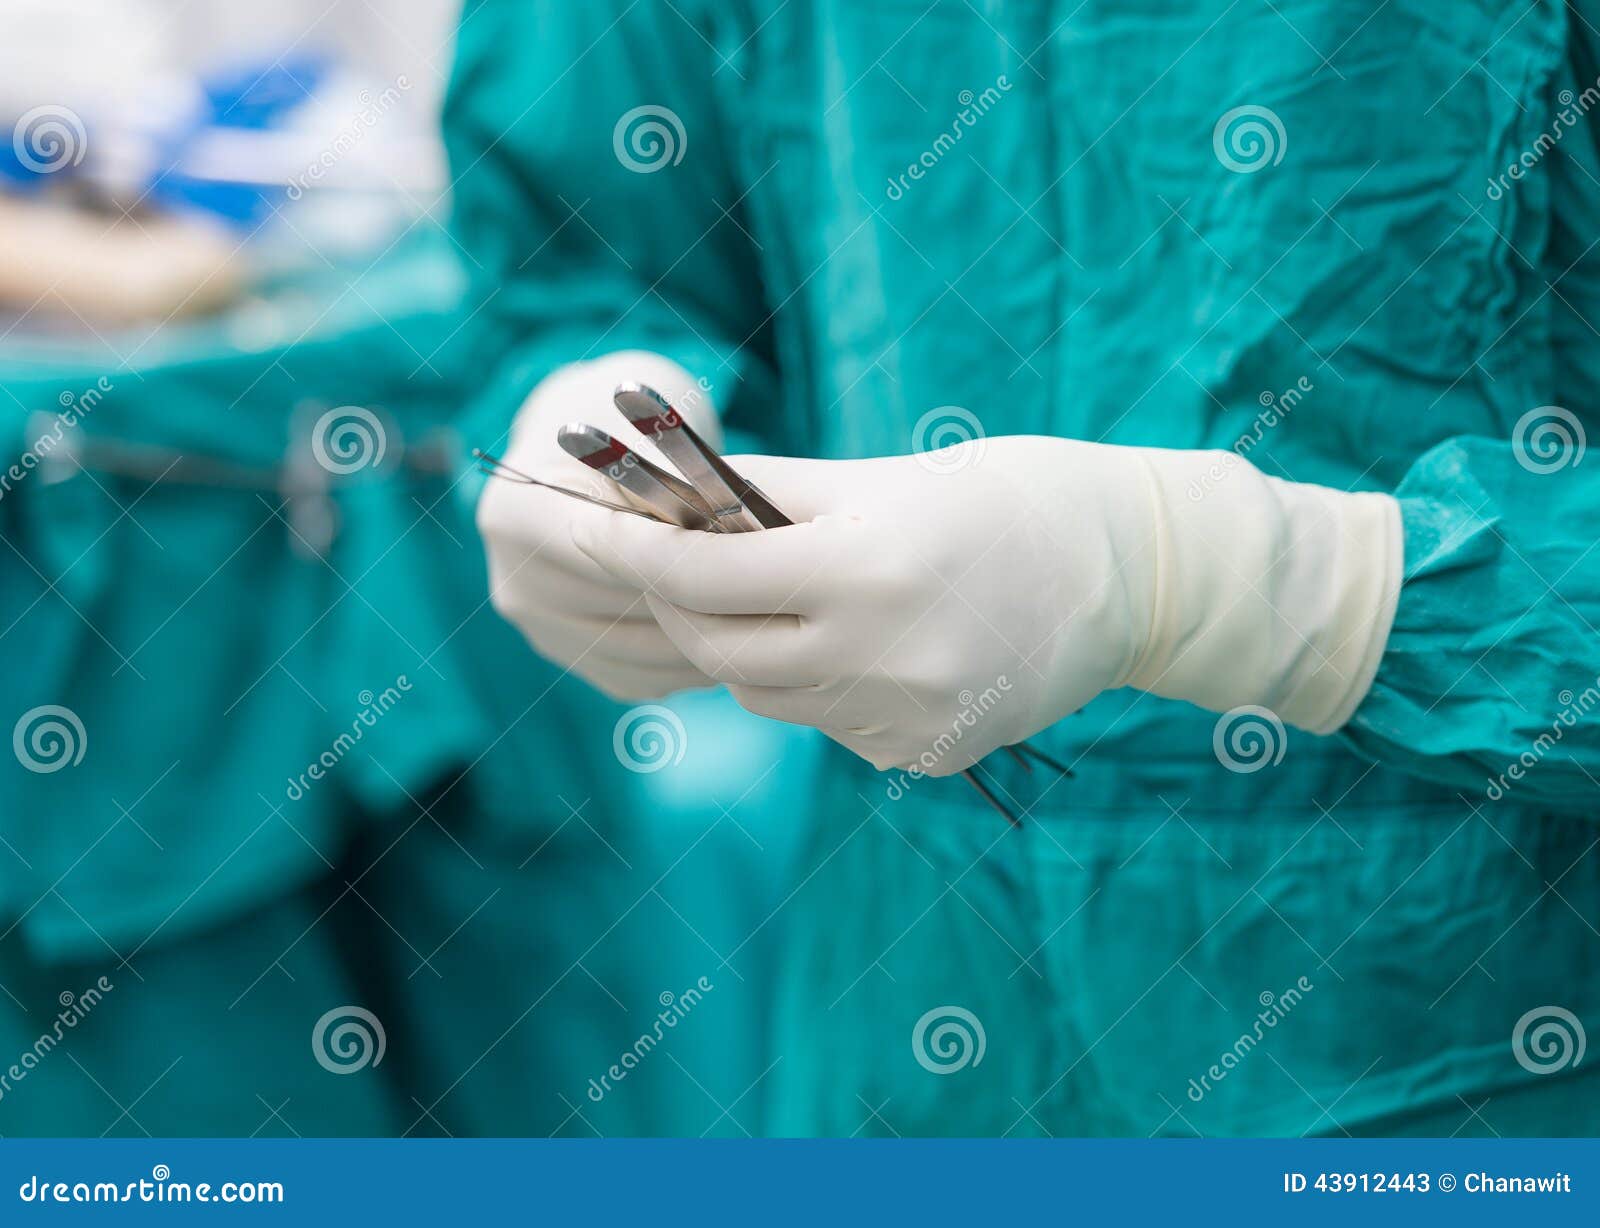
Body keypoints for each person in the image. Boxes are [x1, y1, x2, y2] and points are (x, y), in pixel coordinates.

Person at [458, 0, 1600, 1135]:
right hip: (917, 995)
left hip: (1481, 1023)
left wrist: (1286, 584)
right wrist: (592, 403)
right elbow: (599, 245)